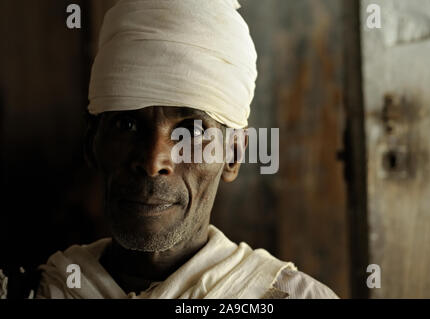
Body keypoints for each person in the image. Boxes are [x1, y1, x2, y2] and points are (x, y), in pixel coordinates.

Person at [33, 0, 338, 299]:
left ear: (232, 155)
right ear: (92, 144)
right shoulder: (40, 291)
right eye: (126, 125)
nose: (154, 161)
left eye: (191, 130)